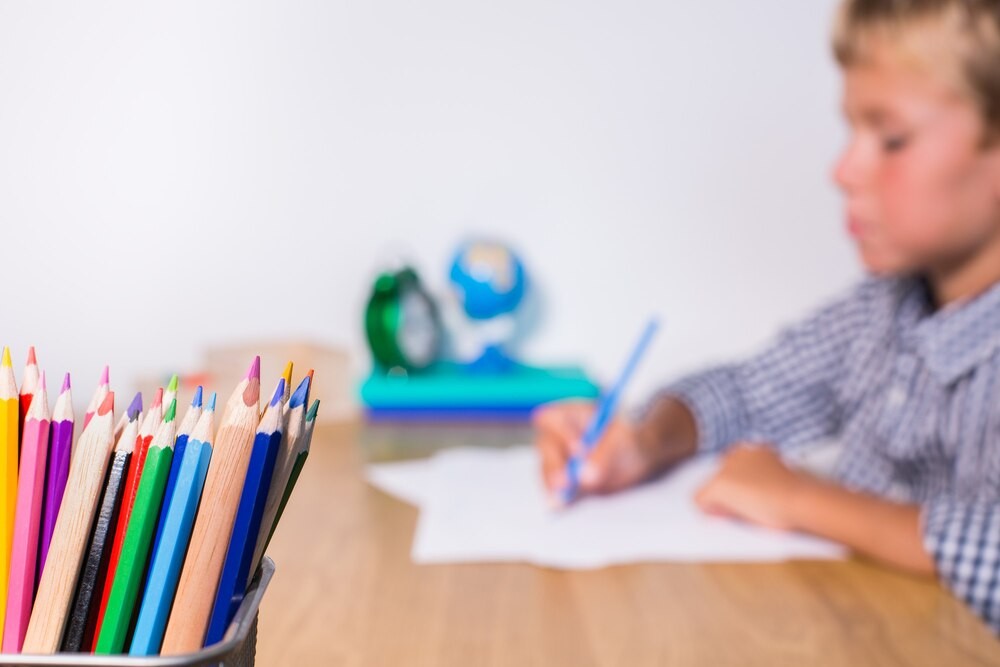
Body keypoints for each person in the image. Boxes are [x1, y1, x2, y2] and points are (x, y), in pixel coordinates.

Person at [535, 0, 1000, 634]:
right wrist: (644, 443)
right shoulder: (881, 309)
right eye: (851, 131)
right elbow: (744, 392)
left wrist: (805, 499)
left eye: (890, 138)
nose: (844, 170)